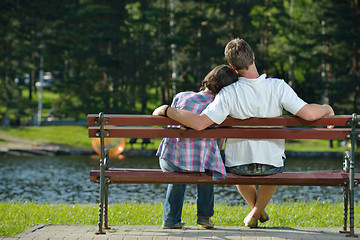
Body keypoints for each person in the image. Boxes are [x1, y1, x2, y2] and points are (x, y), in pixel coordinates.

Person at [153, 38, 334, 228]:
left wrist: (167, 110)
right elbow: (310, 114)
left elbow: (199, 124)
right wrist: (326, 107)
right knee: (273, 173)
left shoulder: (228, 92)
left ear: (232, 66)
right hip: (271, 166)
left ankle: (256, 212)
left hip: (237, 167)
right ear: (253, 57)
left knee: (239, 171)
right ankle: (255, 213)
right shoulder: (278, 86)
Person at [156, 65, 238, 229]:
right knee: (208, 165)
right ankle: (204, 217)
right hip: (200, 165)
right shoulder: (220, 107)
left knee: (179, 168)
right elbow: (220, 143)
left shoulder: (182, 96)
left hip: (169, 160)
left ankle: (171, 220)